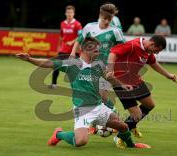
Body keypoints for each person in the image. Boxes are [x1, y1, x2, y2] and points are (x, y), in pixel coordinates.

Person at [16, 37, 150, 149]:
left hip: (99, 107)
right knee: (81, 142)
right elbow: (47, 63)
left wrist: (121, 85)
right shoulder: (71, 64)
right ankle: (59, 134)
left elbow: (108, 78)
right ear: (86, 50)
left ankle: (132, 146)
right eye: (96, 50)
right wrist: (30, 59)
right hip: (83, 110)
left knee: (123, 126)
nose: (98, 52)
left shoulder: (99, 65)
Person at [107, 35, 177, 144]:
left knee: (150, 105)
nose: (157, 53)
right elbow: (113, 53)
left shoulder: (148, 52)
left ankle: (130, 125)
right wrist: (110, 71)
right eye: (157, 50)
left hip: (136, 82)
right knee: (137, 115)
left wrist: (168, 75)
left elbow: (154, 63)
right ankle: (121, 136)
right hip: (121, 82)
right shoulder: (133, 45)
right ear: (152, 44)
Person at [70, 3, 125, 113]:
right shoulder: (90, 27)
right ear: (100, 15)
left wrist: (115, 67)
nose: (107, 21)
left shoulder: (115, 31)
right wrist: (72, 54)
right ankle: (93, 122)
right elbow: (79, 40)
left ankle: (115, 117)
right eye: (105, 18)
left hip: (105, 70)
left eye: (110, 19)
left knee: (103, 97)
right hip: (88, 68)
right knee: (90, 96)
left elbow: (123, 49)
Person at [50, 5, 82, 89]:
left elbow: (80, 36)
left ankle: (79, 86)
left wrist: (72, 42)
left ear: (74, 13)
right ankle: (54, 84)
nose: (69, 14)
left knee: (76, 69)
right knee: (56, 66)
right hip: (63, 50)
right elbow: (61, 36)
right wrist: (59, 47)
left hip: (74, 51)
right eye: (68, 12)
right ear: (65, 13)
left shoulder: (77, 24)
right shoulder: (62, 24)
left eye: (71, 12)